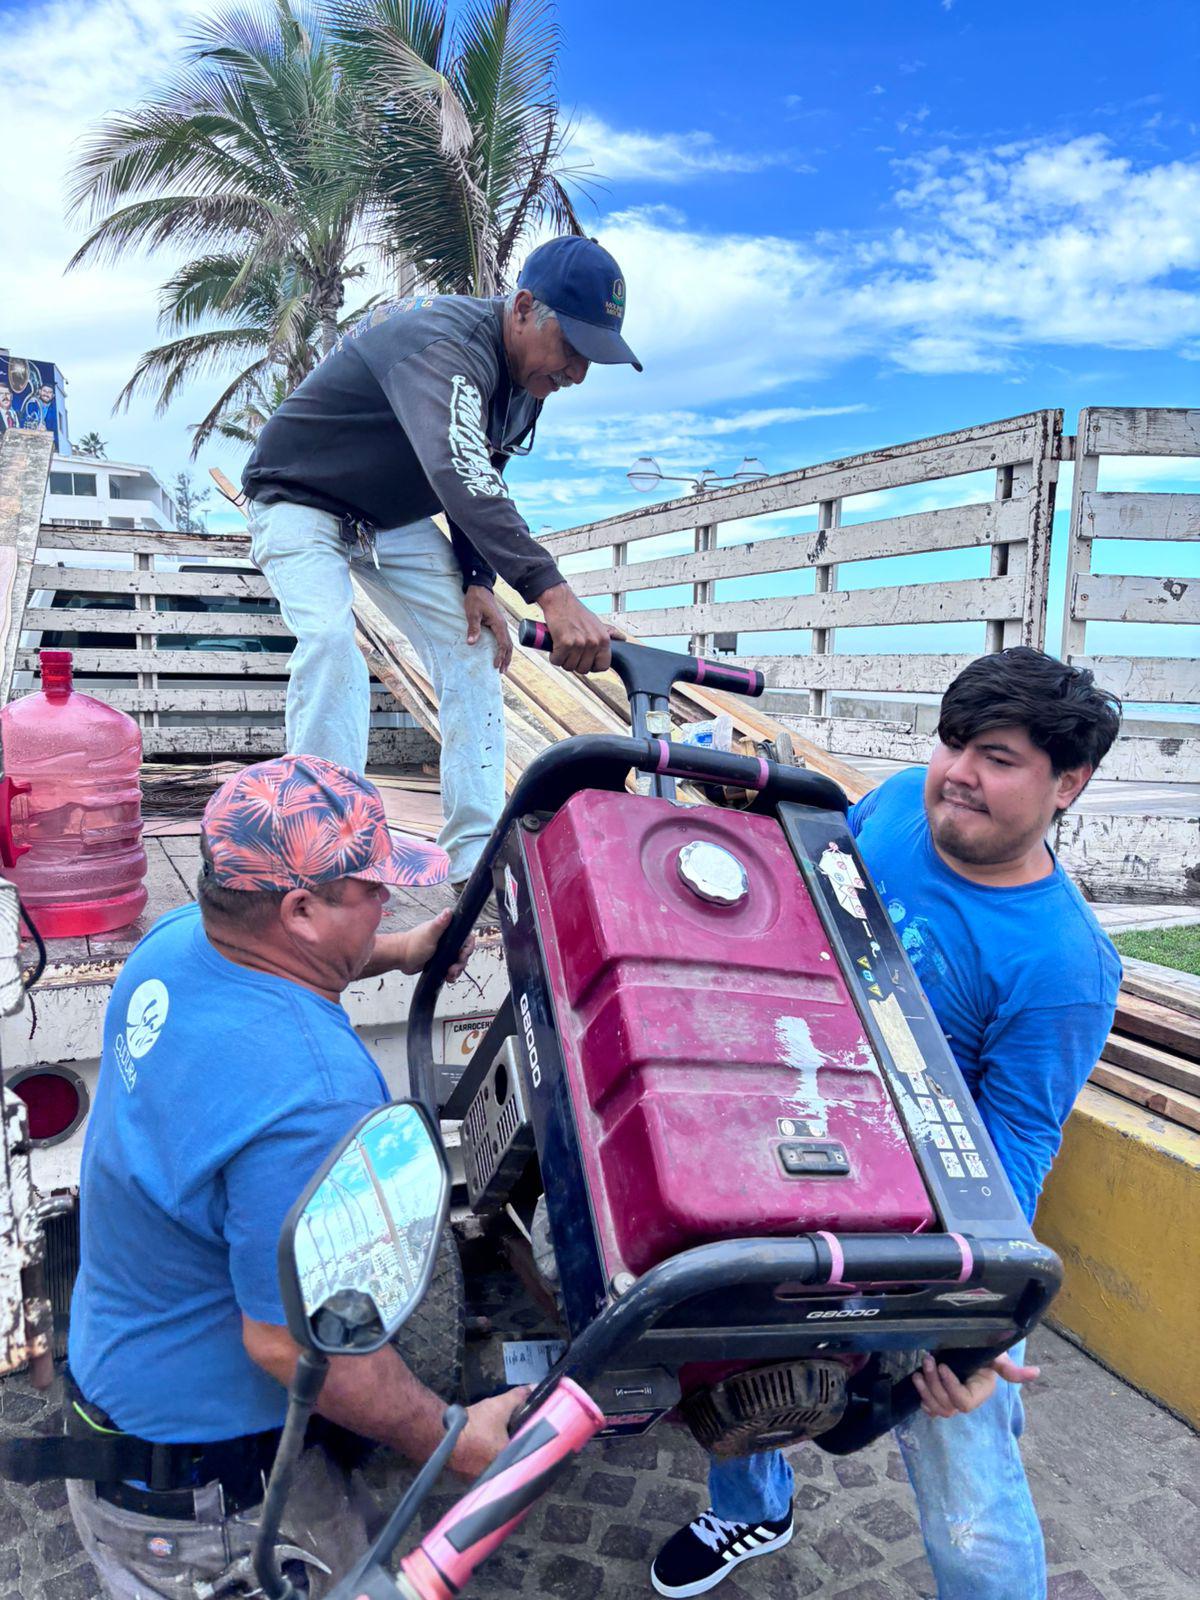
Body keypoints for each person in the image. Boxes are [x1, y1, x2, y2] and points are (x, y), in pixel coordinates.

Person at [650, 647, 1123, 1600]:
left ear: (1067, 784)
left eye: (997, 758)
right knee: (736, 1342)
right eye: (953, 743)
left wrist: (971, 1329)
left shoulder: (1065, 963)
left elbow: (1017, 1146)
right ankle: (752, 1507)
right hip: (801, 1122)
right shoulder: (902, 802)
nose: (959, 774)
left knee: (967, 1468)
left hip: (931, 1217)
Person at [63, 755, 526, 1599]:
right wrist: (456, 1442)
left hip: (115, 1383)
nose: (389, 901)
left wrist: (399, 951)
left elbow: (280, 972)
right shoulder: (315, 1095)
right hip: (208, 1503)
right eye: (373, 891)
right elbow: (292, 1346)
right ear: (301, 910)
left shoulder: (178, 943)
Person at [242, 235, 640, 890]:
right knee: (330, 644)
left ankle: (474, 861)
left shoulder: (527, 382)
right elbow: (458, 467)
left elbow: (487, 467)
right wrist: (553, 593)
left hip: (388, 519)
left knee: (473, 648)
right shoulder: (442, 343)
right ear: (523, 308)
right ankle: (323, 853)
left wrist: (478, 580)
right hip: (297, 496)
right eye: (572, 347)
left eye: (592, 359)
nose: (577, 373)